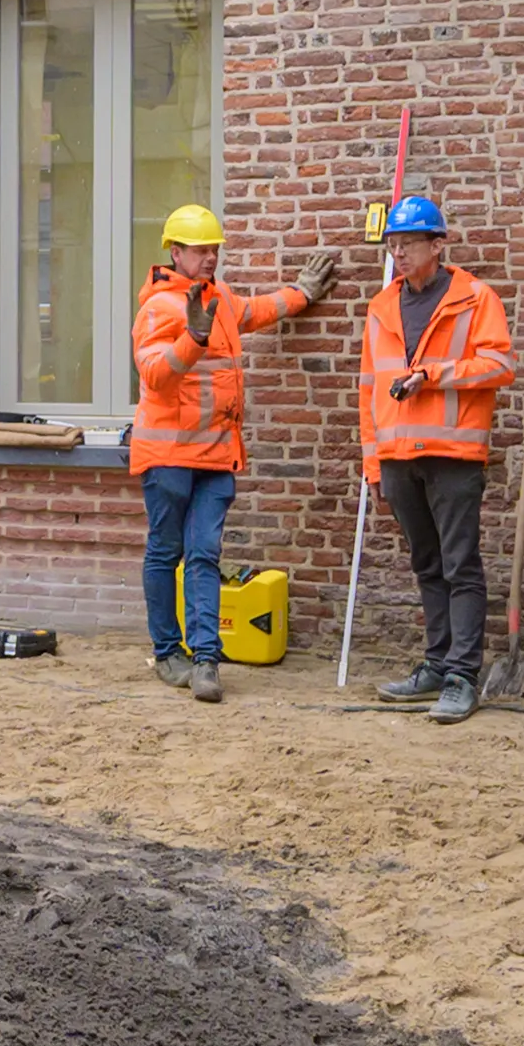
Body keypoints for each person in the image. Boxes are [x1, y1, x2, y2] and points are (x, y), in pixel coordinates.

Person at [129, 205, 340, 703]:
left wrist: (302, 293)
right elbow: (156, 374)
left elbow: (255, 311)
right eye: (201, 250)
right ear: (175, 253)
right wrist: (193, 338)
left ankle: (207, 661)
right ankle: (168, 653)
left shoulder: (219, 298)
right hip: (169, 459)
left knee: (204, 554)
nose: (210, 257)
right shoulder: (158, 309)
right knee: (165, 553)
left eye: (214, 249)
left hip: (216, 458)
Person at [359, 197, 516, 724]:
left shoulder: (475, 298)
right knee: (426, 564)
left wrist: (434, 374)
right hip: (397, 456)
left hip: (453, 454)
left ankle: (461, 676)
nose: (398, 254)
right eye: (393, 245)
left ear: (438, 245)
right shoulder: (381, 307)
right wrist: (373, 462)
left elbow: (499, 365)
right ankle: (436, 663)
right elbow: (368, 390)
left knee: (460, 565)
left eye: (408, 243)